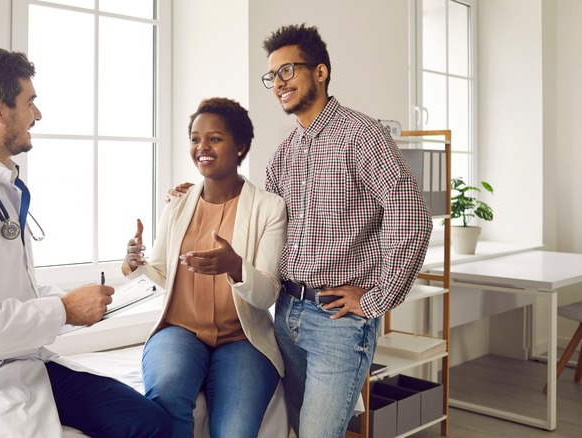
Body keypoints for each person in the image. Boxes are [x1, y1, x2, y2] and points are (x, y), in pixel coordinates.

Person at [169, 24, 433, 437]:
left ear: (321, 72)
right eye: (272, 76)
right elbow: (259, 213)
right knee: (295, 427)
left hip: (337, 319)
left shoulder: (362, 136)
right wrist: (196, 193)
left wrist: (378, 298)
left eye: (288, 71)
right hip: (288, 313)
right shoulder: (287, 151)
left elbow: (412, 217)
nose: (278, 83)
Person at [0, 47, 170, 437]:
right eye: (30, 103)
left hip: (19, 361)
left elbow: (12, 289)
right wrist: (63, 310)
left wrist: (74, 303)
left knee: (149, 422)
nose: (37, 115)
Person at [124, 97, 288, 437]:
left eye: (215, 138)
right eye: (195, 138)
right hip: (179, 330)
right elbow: (160, 273)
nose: (203, 147)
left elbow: (268, 292)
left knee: (235, 431)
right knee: (166, 396)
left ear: (240, 145)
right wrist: (134, 262)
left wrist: (235, 266)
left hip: (243, 339)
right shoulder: (178, 203)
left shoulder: (269, 208)